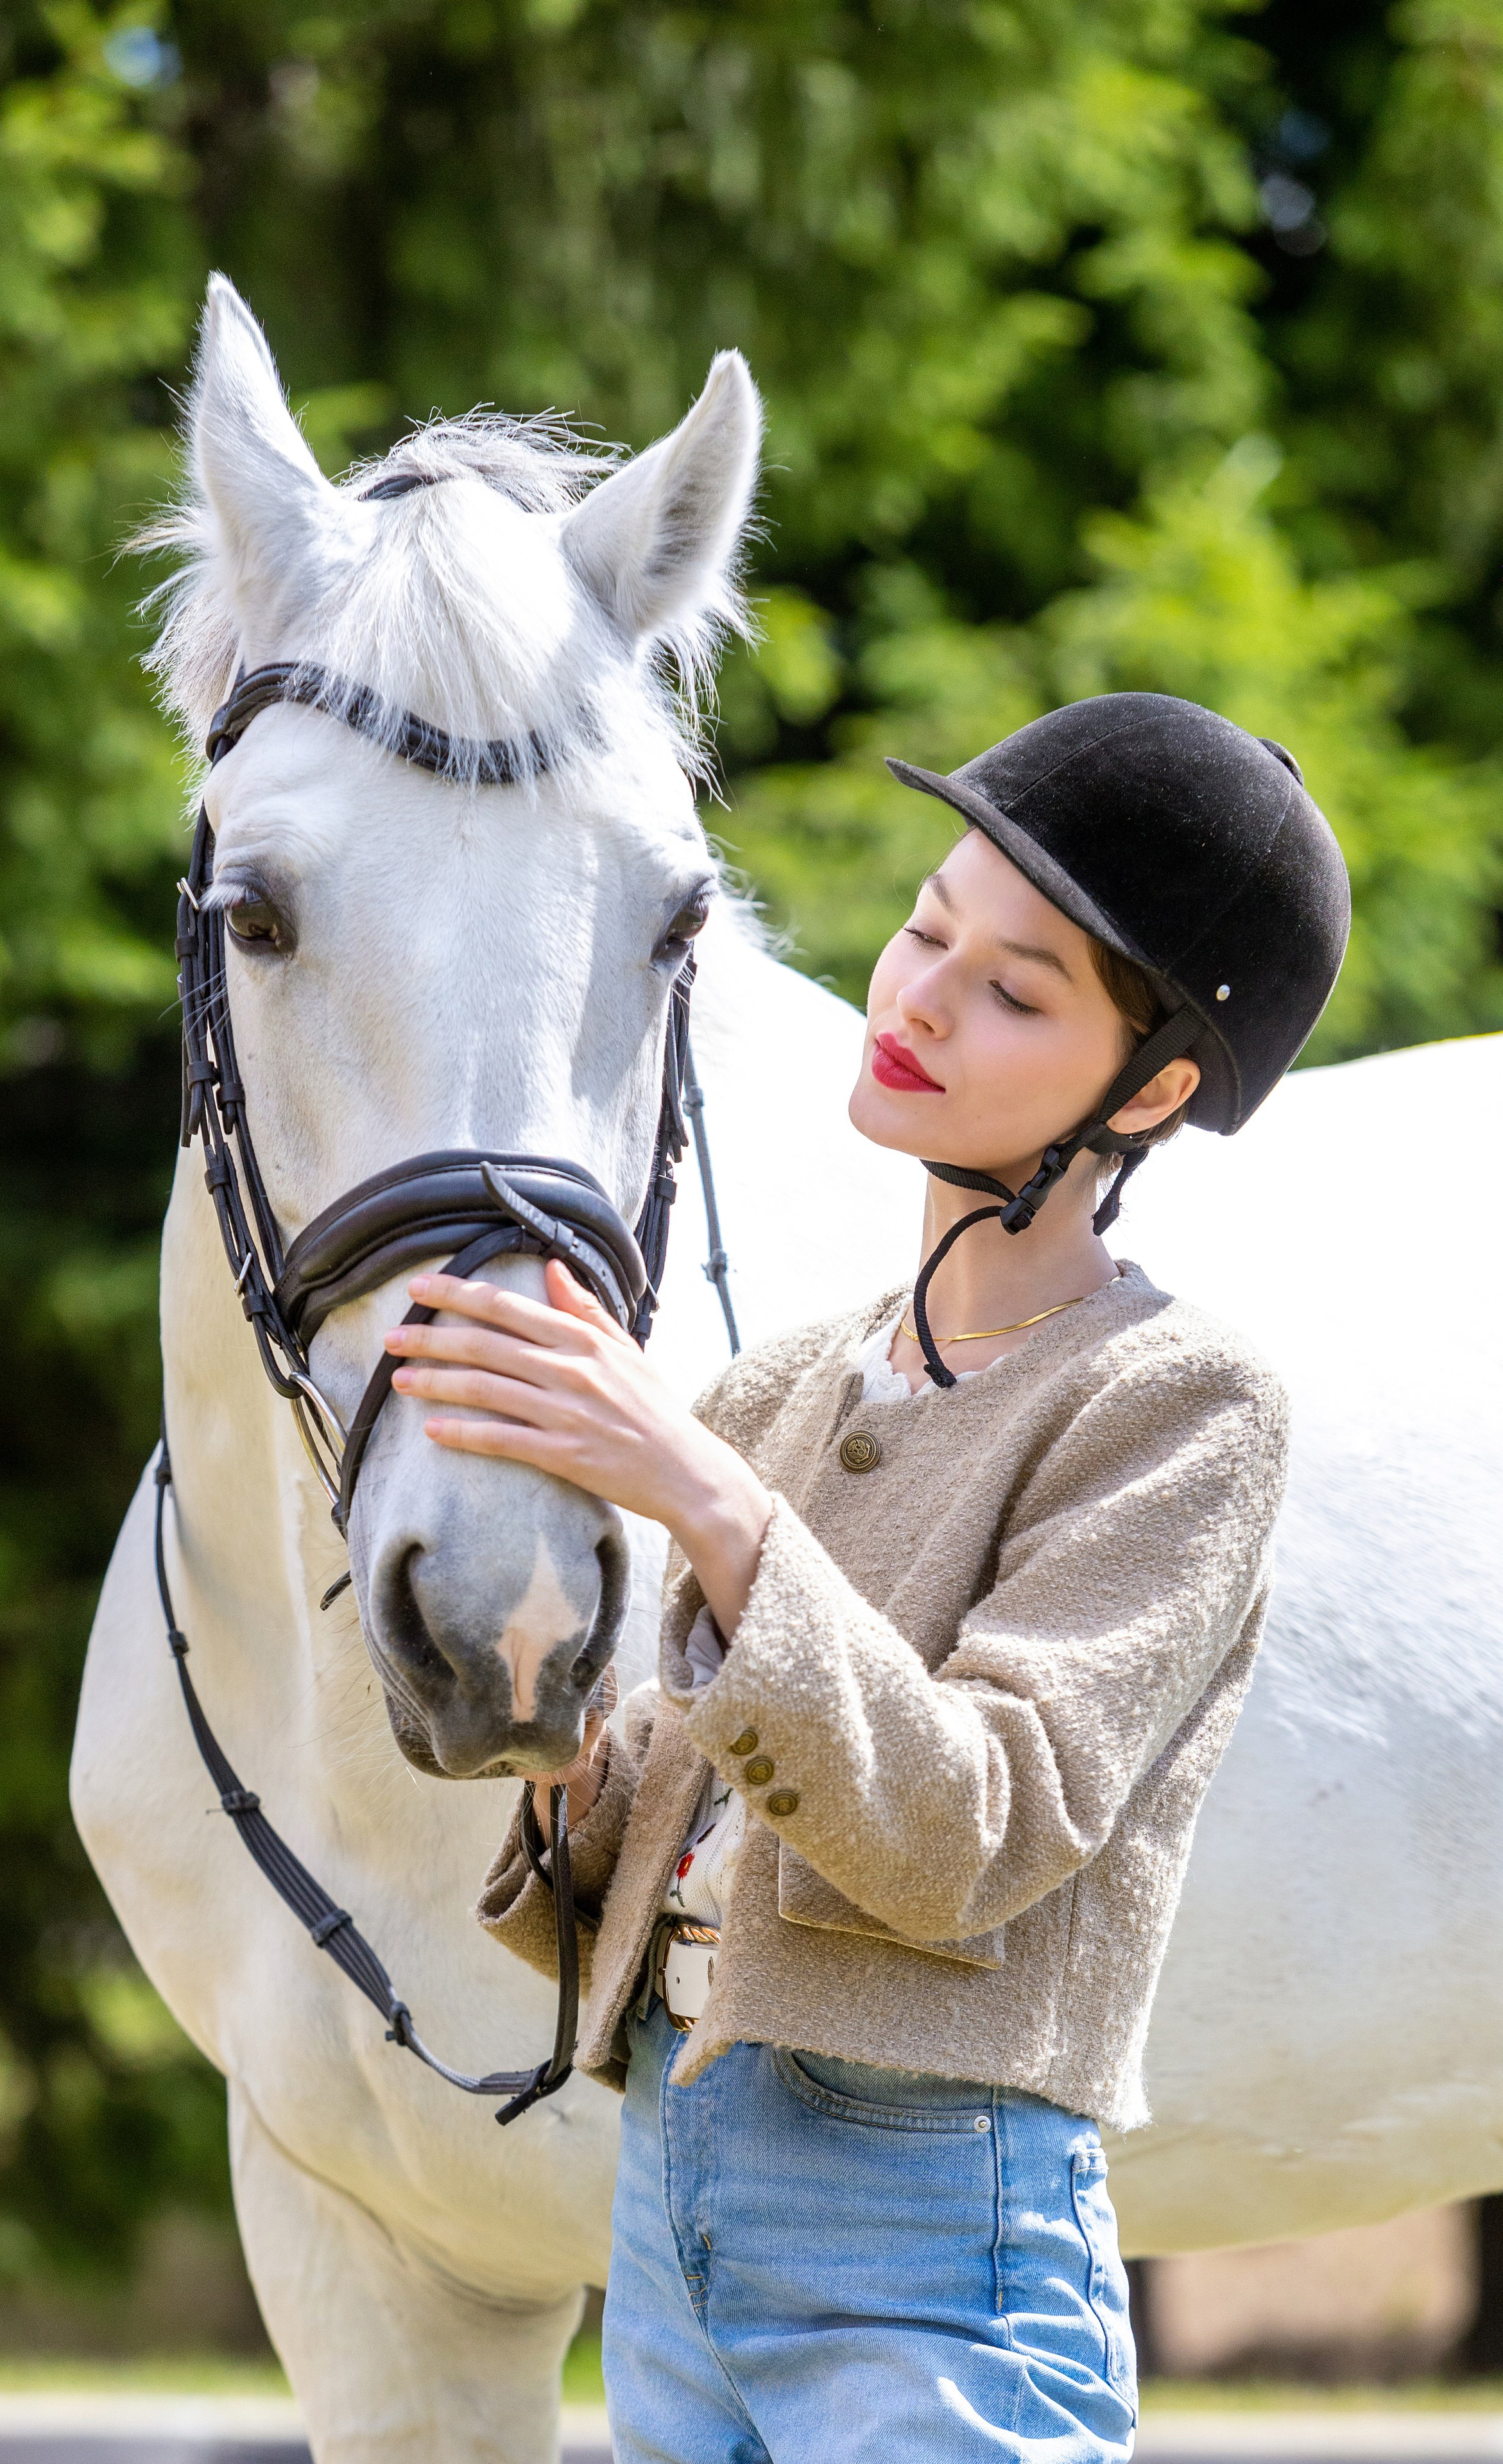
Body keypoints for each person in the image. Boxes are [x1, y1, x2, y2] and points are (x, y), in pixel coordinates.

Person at [381, 693, 1350, 2464]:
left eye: (1016, 988)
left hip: (932, 2224)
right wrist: (531, 1682)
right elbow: (691, 1828)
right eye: (927, 924)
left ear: (1153, 1089)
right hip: (676, 2172)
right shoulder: (783, 1386)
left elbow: (972, 1833)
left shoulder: (1181, 1407)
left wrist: (700, 1494)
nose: (917, 998)